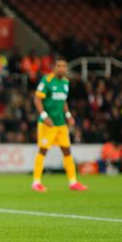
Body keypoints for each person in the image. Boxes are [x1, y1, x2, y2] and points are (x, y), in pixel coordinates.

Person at [32, 59, 87, 192]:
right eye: (59, 66)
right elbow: (37, 99)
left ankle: (73, 182)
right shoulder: (47, 80)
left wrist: (68, 116)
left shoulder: (66, 82)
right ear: (54, 68)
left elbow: (63, 101)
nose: (62, 68)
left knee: (67, 151)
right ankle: (36, 182)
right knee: (43, 150)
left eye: (64, 66)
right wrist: (44, 116)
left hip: (61, 124)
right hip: (48, 124)